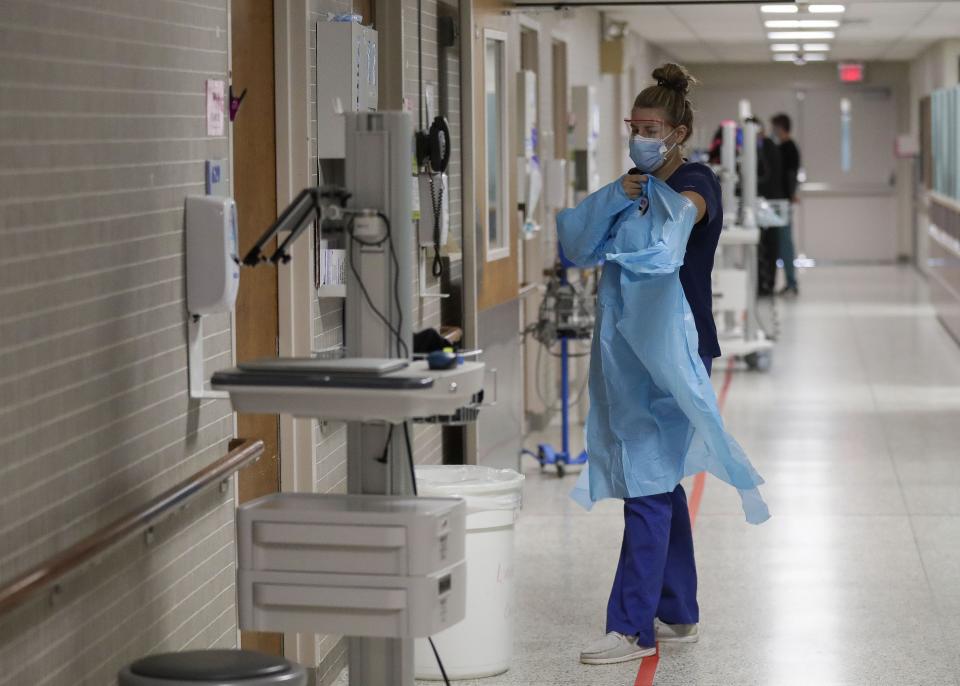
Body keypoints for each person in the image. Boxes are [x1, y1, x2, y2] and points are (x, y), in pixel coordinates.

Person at [571, 63, 725, 666]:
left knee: (647, 484)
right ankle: (678, 613)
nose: (640, 135)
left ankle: (631, 626)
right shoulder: (632, 183)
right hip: (636, 353)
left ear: (678, 132)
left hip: (676, 354)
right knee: (660, 481)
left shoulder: (695, 181)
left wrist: (659, 209)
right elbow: (577, 244)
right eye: (634, 126)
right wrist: (616, 196)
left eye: (651, 126)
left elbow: (678, 228)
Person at [750, 116, 785, 296]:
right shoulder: (757, 148)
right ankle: (762, 284)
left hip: (771, 202)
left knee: (771, 245)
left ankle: (768, 284)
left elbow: (768, 176)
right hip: (764, 202)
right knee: (761, 245)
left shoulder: (768, 147)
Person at [771, 113, 800, 295]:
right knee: (782, 243)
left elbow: (790, 175)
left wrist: (791, 194)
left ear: (781, 128)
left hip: (783, 201)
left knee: (785, 244)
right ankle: (790, 283)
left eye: (775, 128)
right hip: (780, 200)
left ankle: (792, 283)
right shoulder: (782, 147)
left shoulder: (788, 149)